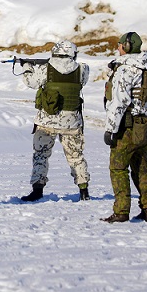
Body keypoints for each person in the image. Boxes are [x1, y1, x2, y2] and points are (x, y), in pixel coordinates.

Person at [17, 40, 91, 202]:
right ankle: (83, 189)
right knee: (76, 156)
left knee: (41, 155)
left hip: (47, 122)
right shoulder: (82, 69)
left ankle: (37, 190)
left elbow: (31, 82)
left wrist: (27, 67)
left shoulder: (45, 69)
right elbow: (82, 82)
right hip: (72, 122)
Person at [101, 32, 147, 223]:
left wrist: (110, 129)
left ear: (126, 46)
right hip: (144, 125)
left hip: (126, 126)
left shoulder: (126, 70)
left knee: (118, 168)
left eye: (119, 45)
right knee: (141, 168)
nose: (118, 48)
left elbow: (119, 101)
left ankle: (121, 212)